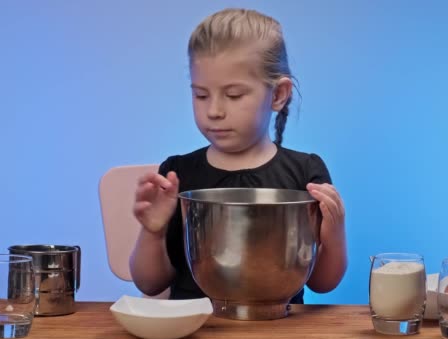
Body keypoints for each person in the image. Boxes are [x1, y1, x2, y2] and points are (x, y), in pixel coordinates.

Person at [129, 8, 347, 304]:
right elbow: (150, 283)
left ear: (278, 95)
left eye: (233, 95)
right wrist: (152, 233)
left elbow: (323, 283)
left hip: (282, 330)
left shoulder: (305, 173)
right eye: (201, 95)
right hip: (195, 328)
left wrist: (333, 234)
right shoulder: (177, 173)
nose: (214, 110)